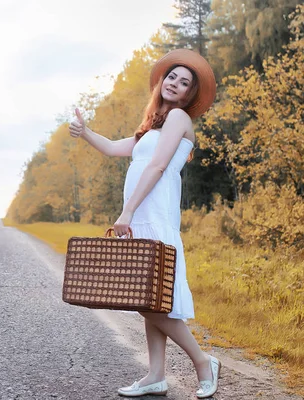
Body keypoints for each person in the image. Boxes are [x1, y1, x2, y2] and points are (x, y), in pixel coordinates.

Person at [68, 49, 221, 398]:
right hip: (141, 217)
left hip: (153, 216)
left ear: (188, 95)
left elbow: (157, 167)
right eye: (173, 77)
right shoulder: (153, 126)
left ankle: (202, 362)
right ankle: (155, 375)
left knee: (148, 300)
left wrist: (127, 212)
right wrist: (84, 130)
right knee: (150, 299)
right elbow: (110, 148)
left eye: (184, 83)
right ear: (162, 81)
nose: (176, 84)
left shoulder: (180, 118)